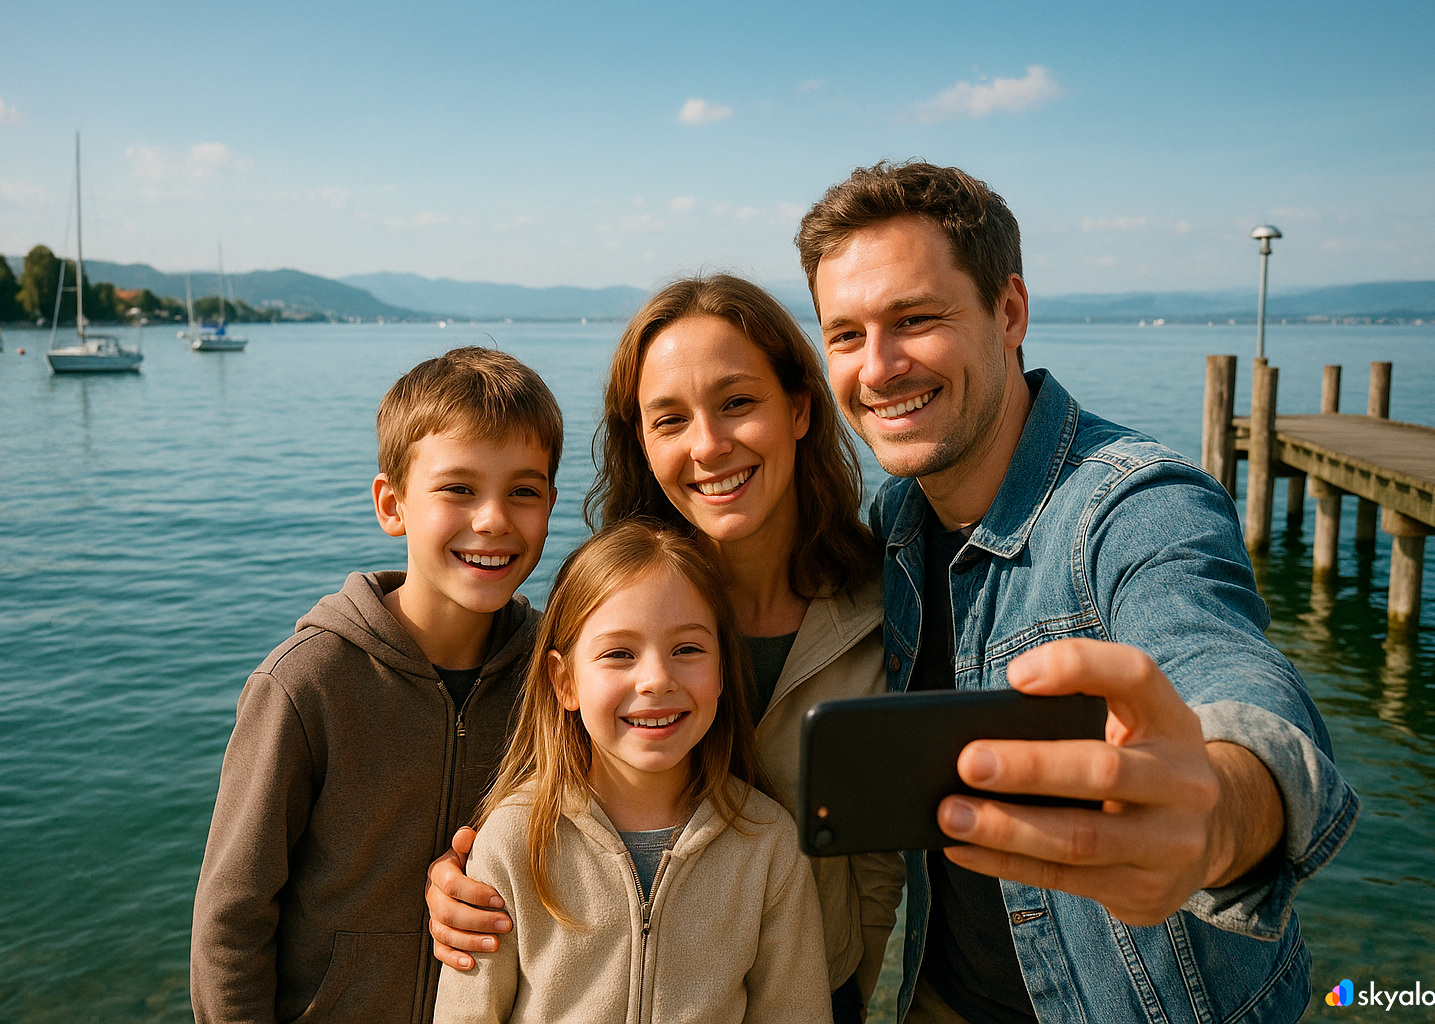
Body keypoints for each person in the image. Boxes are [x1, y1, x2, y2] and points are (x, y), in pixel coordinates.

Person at [796, 161, 1359, 1023]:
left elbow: (1221, 664)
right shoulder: (899, 517)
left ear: (1009, 312)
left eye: (916, 319)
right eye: (845, 335)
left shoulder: (1133, 505)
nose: (878, 368)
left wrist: (1215, 814)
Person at [428, 276, 905, 1022]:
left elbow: (881, 848)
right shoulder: (602, 614)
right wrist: (456, 877)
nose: (709, 446)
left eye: (738, 402)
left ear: (801, 408)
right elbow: (533, 784)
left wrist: (852, 973)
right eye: (669, 419)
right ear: (641, 444)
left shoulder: (888, 612)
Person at [190, 347, 562, 1024]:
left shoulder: (555, 676)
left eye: (524, 491)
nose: (493, 519)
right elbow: (231, 923)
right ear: (392, 504)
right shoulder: (308, 684)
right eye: (458, 489)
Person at [433, 520, 834, 1024]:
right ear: (565, 682)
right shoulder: (515, 841)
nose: (656, 680)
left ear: (723, 671)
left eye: (687, 650)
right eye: (619, 654)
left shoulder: (767, 843)